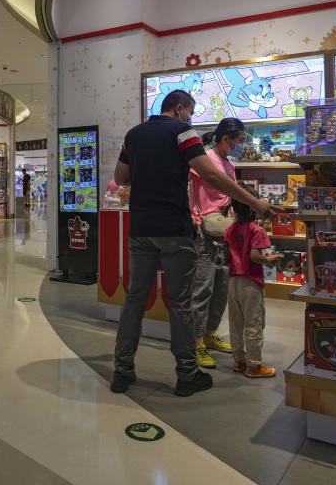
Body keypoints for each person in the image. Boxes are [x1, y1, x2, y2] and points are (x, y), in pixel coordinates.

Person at [111, 90, 275, 396]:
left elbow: (121, 178)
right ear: (179, 108)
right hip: (174, 229)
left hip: (141, 229)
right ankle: (187, 375)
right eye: (191, 110)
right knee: (180, 303)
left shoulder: (133, 135)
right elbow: (210, 176)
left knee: (134, 300)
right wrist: (254, 201)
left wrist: (148, 176)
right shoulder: (182, 132)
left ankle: (122, 371)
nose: (191, 117)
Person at [188, 117, 246, 369]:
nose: (241, 146)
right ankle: (197, 342)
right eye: (240, 141)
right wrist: (195, 215)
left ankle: (211, 333)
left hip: (226, 229)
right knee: (203, 286)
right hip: (206, 230)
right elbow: (189, 187)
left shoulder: (228, 164)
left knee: (222, 286)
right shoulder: (206, 159)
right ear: (225, 139)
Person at [224, 188, 281, 378]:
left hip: (232, 281)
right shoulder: (257, 230)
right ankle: (255, 366)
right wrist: (270, 259)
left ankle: (239, 361)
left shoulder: (230, 229)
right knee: (254, 323)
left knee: (235, 323)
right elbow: (255, 256)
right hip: (251, 282)